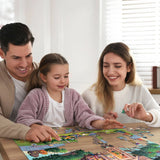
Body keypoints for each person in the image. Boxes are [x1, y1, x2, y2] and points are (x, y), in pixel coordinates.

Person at [16, 53, 123, 139]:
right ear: (44, 77)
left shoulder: (72, 95)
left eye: (66, 76)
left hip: (68, 139)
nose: (63, 81)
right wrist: (36, 127)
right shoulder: (36, 95)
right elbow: (23, 118)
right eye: (57, 77)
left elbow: (85, 115)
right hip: (42, 139)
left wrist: (101, 123)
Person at [0, 22, 60, 142]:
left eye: (28, 56)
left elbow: (69, 104)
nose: (24, 64)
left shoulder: (45, 73)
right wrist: (26, 131)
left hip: (47, 140)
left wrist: (98, 119)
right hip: (10, 143)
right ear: (2, 53)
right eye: (16, 58)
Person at [82, 42, 160, 127]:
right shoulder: (89, 95)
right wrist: (100, 122)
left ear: (129, 67)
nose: (110, 72)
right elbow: (79, 123)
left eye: (117, 66)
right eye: (106, 66)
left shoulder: (139, 89)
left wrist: (147, 116)